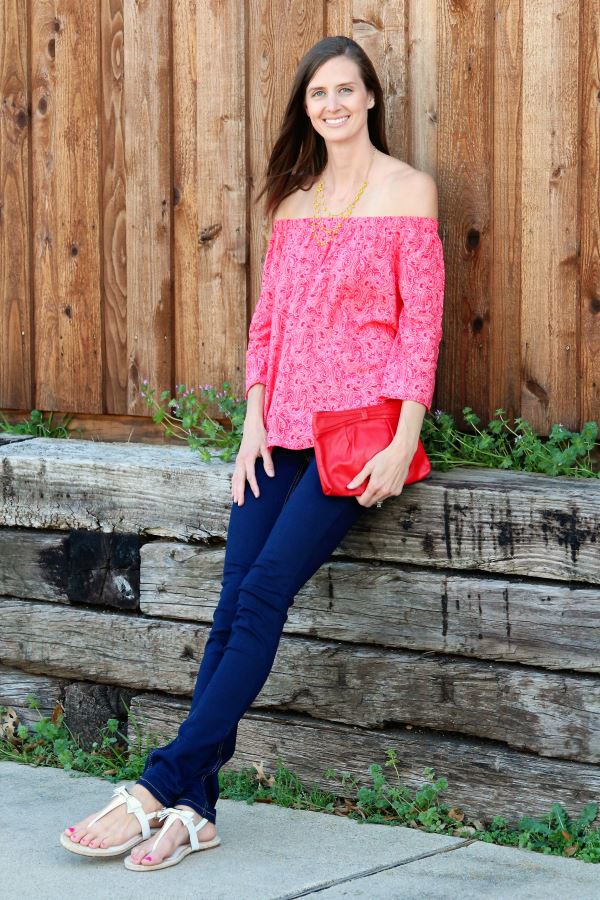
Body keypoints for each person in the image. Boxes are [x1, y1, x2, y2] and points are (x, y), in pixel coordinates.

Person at [60, 34, 445, 871]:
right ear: (307, 107)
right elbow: (268, 326)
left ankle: (157, 786)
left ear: (371, 98)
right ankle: (195, 809)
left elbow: (420, 326)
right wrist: (250, 426)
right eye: (319, 95)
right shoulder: (296, 203)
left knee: (266, 592)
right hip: (279, 434)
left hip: (355, 440)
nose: (334, 105)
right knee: (231, 606)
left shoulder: (410, 193)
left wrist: (402, 438)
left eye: (347, 90)